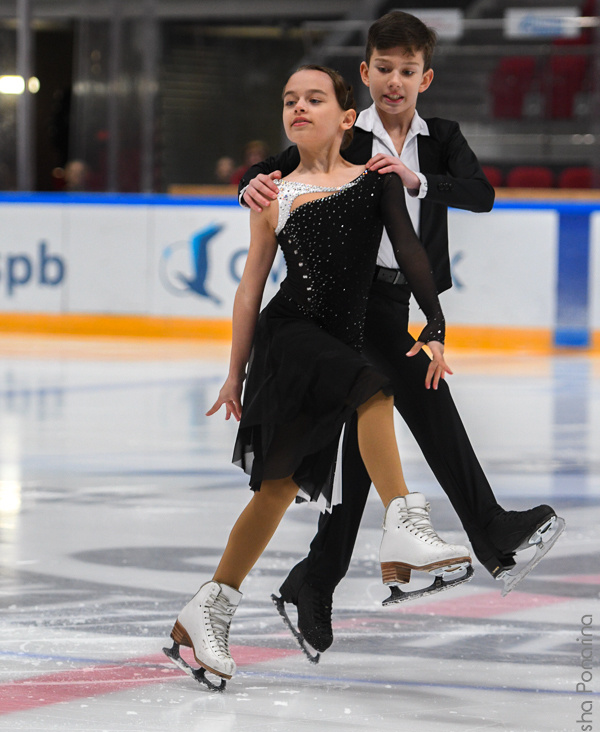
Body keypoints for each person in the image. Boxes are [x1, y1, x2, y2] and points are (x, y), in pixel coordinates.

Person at [239, 11, 561, 656]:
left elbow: (481, 194)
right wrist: (247, 183)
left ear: (425, 77)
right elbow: (278, 171)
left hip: (400, 301)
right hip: (347, 303)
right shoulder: (345, 135)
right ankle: (487, 534)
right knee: (408, 416)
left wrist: (421, 181)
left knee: (365, 449)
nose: (394, 81)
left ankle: (316, 579)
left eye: (406, 71)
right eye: (383, 69)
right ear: (365, 73)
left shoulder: (440, 137)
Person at [164, 64, 472, 689]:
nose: (297, 108)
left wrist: (434, 325)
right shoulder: (272, 193)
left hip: (336, 343)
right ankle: (404, 524)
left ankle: (206, 610)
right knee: (374, 387)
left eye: (314, 99)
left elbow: (412, 255)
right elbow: (251, 288)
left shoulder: (374, 179)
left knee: (277, 488)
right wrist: (234, 372)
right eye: (288, 101)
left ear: (347, 116)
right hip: (291, 339)